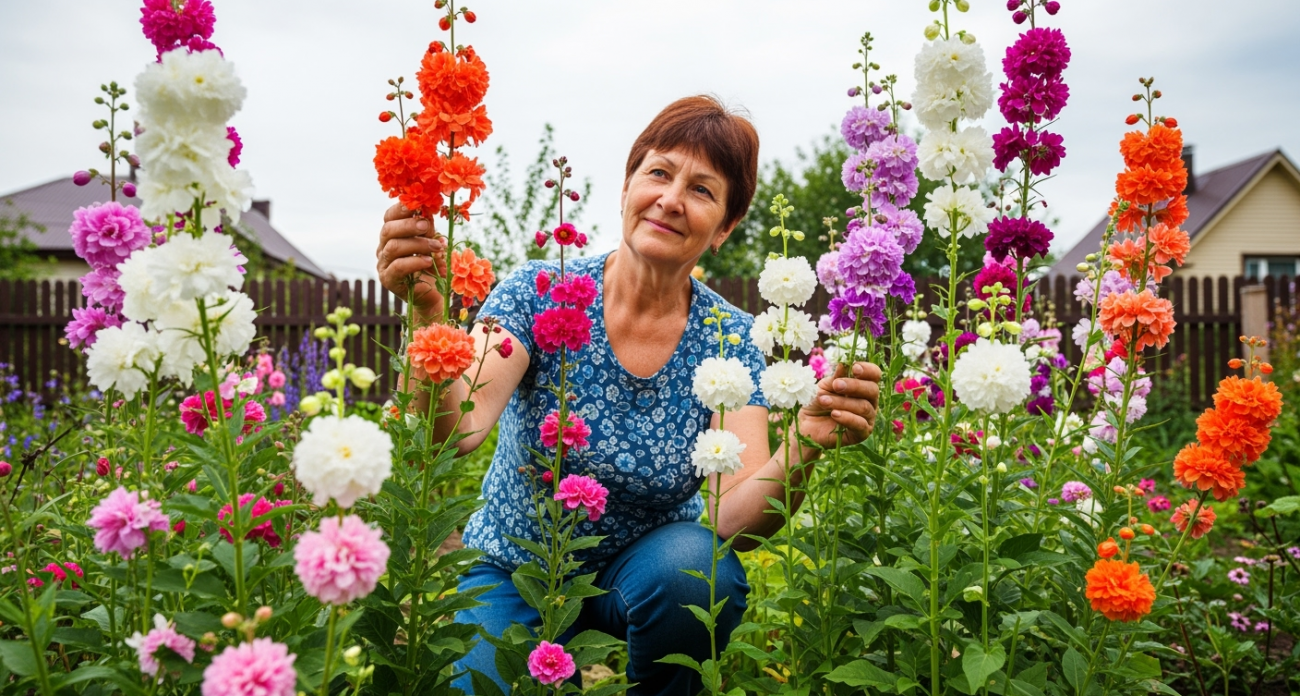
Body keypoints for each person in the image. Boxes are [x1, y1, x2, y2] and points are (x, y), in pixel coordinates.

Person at [375, 95, 882, 695]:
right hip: (515, 568)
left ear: (724, 227)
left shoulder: (728, 338)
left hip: (639, 574)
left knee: (699, 574)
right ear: (626, 187)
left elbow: (733, 516)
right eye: (660, 172)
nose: (670, 199)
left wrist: (806, 444)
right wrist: (427, 318)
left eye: (701, 190)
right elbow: (456, 430)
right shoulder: (538, 291)